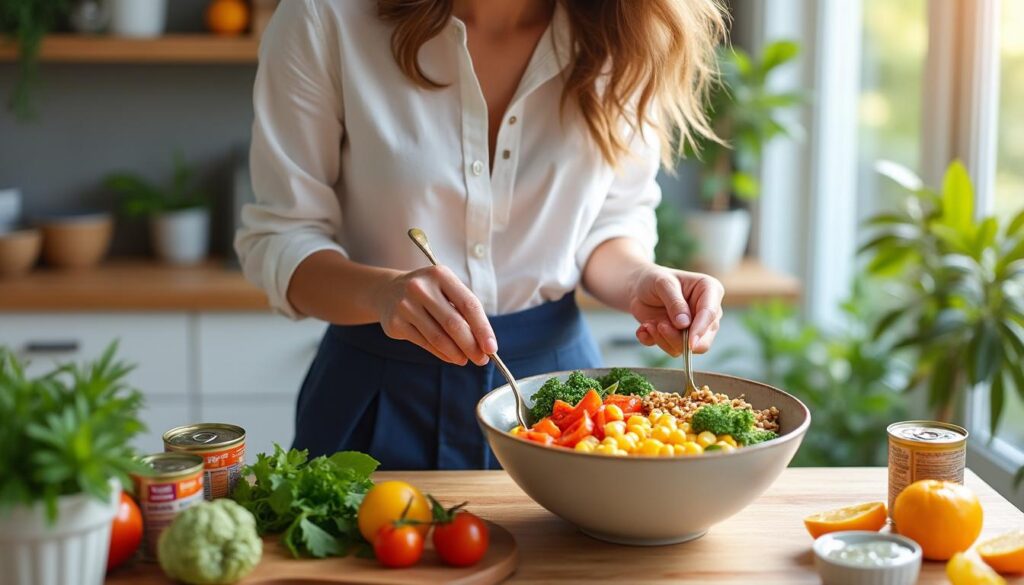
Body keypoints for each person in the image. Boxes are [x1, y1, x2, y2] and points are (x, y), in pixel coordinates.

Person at [236, 0, 728, 470]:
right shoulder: (326, 15)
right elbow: (282, 236)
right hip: (375, 393)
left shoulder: (628, 29)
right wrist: (383, 294)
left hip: (561, 405)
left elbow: (611, 221)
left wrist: (641, 278)